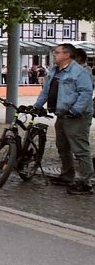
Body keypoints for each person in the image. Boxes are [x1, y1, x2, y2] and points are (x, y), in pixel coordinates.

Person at [34, 43, 93, 195]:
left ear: (67, 55)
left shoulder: (80, 72)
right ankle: (67, 175)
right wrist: (37, 106)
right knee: (62, 147)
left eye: (57, 52)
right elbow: (46, 91)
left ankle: (85, 182)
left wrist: (75, 110)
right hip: (61, 114)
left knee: (80, 149)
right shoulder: (54, 71)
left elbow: (85, 93)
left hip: (76, 117)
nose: (54, 55)